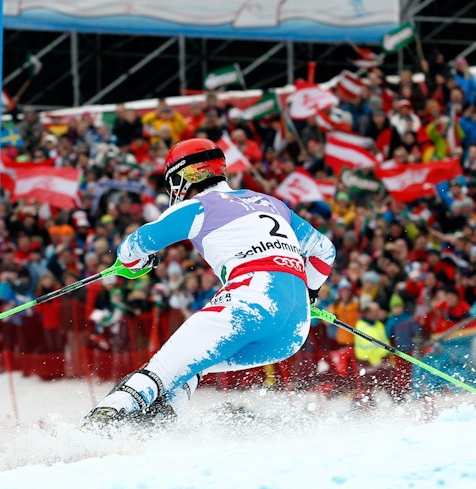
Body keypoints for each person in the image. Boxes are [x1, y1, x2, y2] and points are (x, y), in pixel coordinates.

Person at [85, 138, 336, 426]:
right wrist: (308, 294)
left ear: (183, 176)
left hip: (251, 301)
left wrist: (134, 265)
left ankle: (100, 423)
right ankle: (153, 428)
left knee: (162, 370)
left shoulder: (198, 207)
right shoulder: (272, 203)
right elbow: (325, 251)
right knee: (190, 365)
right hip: (294, 329)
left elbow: (134, 246)